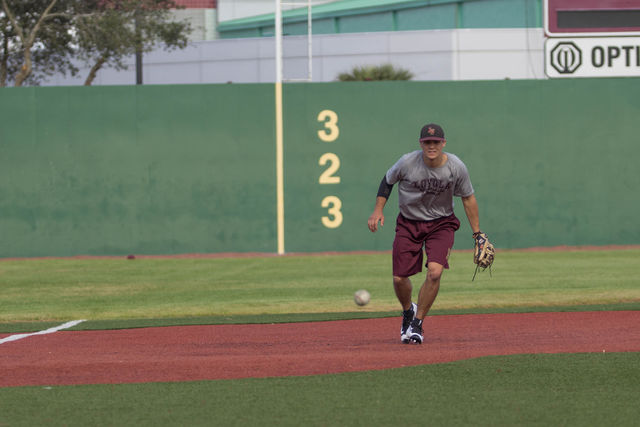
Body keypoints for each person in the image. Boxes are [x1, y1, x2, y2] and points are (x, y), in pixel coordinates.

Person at [367, 123, 483, 344]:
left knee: (435, 272)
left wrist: (478, 234)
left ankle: (417, 324)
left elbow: (468, 197)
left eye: (436, 142)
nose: (432, 146)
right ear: (421, 144)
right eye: (427, 142)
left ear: (443, 143)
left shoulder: (456, 166)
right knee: (399, 278)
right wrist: (378, 210)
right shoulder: (408, 162)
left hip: (441, 224)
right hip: (408, 223)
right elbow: (388, 181)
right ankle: (408, 311)